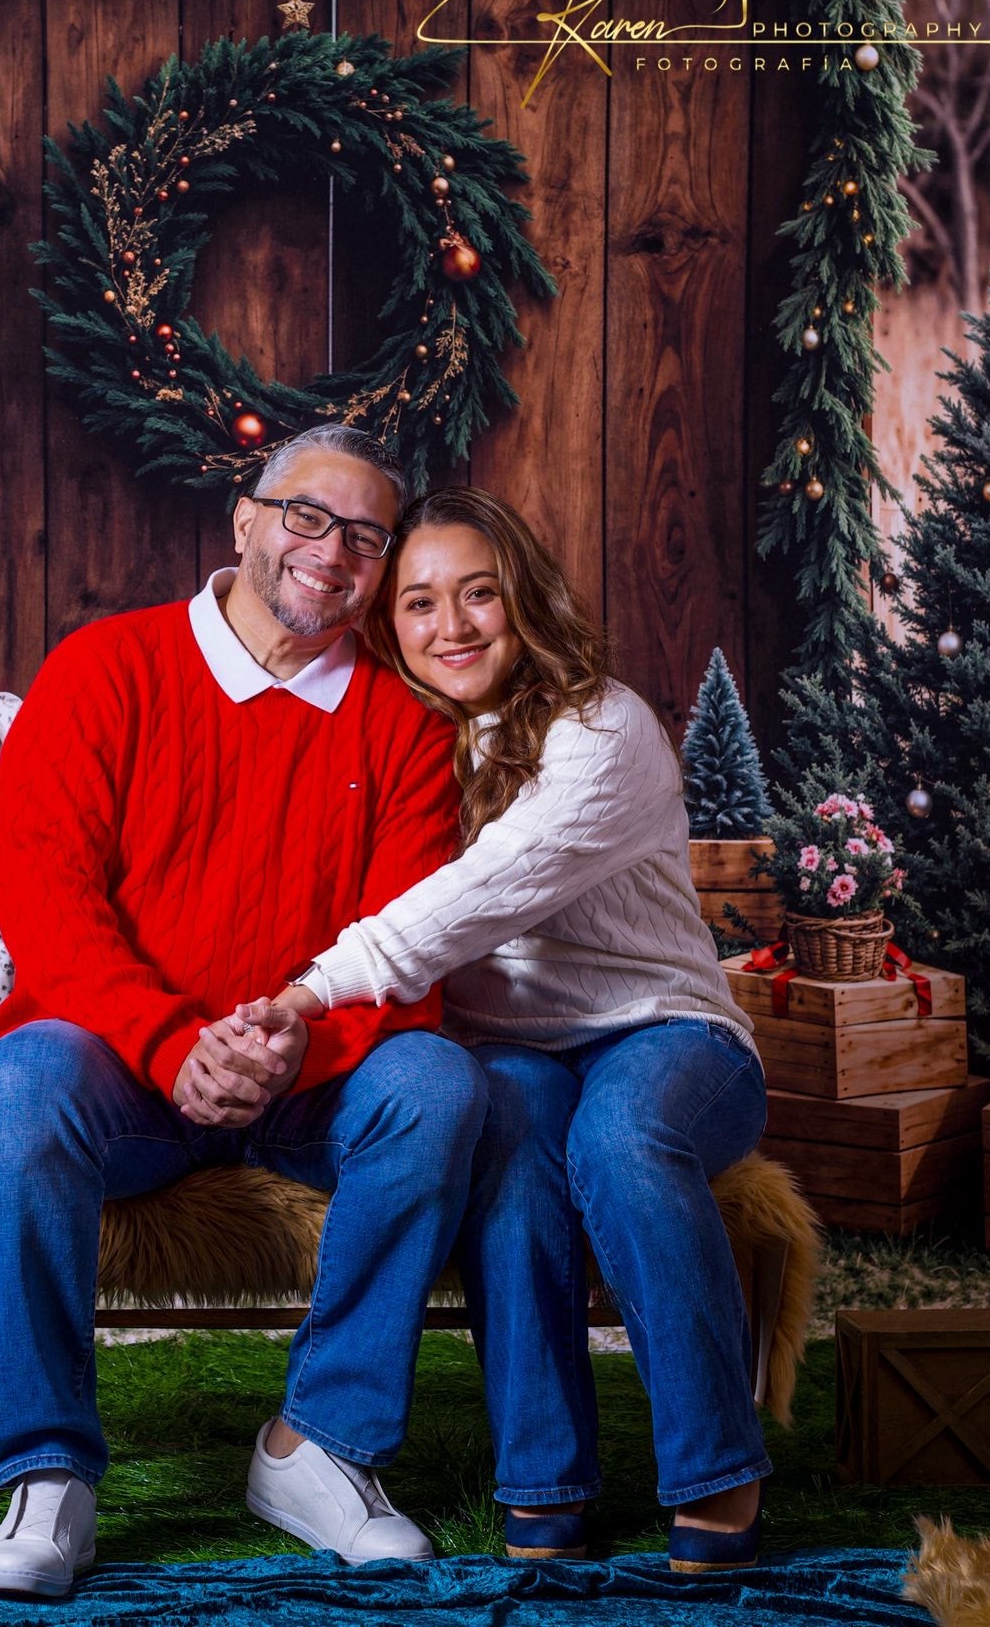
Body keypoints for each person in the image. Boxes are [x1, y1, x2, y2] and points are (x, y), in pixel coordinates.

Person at [0, 428, 490, 1598]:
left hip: (311, 1080)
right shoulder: (106, 667)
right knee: (20, 1080)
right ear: (243, 519)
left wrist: (297, 1041)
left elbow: (407, 942)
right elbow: (45, 895)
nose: (331, 550)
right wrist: (167, 1042)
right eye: (306, 516)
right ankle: (49, 1472)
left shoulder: (403, 723)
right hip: (123, 1069)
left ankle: (320, 1447)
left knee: (438, 1083)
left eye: (364, 536)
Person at [233, 485, 770, 1574]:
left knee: (617, 1137)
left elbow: (479, 891)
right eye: (420, 603)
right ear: (388, 625)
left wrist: (303, 992)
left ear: (521, 599)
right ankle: (544, 1480)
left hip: (664, 1034)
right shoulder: (393, 742)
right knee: (514, 1141)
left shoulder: (600, 726)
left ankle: (718, 1469)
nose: (453, 626)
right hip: (513, 1050)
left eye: (478, 594)